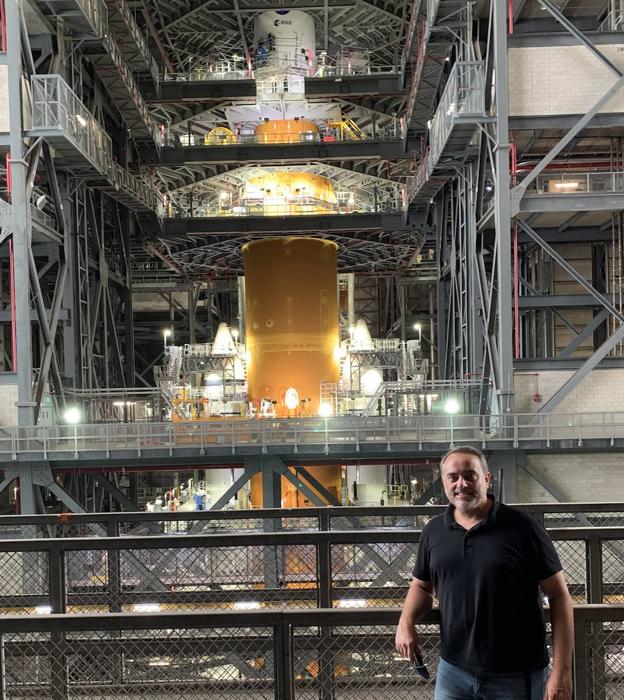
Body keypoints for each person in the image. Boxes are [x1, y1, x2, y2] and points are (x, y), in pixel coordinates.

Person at [395, 446, 574, 700]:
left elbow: (558, 596)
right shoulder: (433, 531)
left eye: (471, 475)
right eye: (453, 477)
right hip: (453, 671)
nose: (462, 484)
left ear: (487, 479)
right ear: (444, 482)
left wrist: (561, 672)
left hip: (515, 674)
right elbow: (422, 586)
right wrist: (405, 622)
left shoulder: (523, 527)